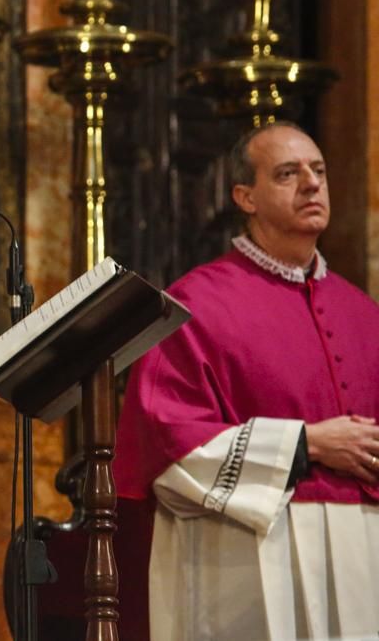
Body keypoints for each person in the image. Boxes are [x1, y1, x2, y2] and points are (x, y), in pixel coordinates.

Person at [114, 121, 379, 640]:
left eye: (318, 171)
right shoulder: (196, 306)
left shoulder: (364, 314)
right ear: (245, 196)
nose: (311, 184)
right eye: (288, 173)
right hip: (246, 561)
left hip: (363, 555)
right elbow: (165, 447)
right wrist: (306, 444)